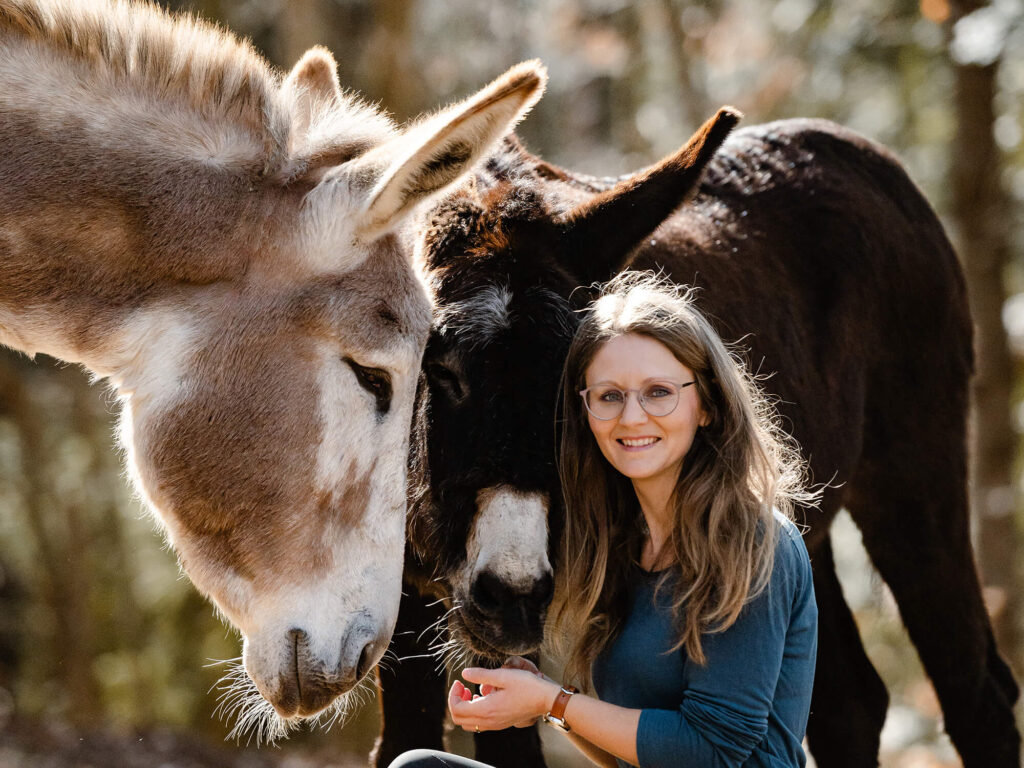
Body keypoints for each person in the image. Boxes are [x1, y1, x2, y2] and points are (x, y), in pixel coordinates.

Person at [391, 272, 819, 768]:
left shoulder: (754, 540)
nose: (631, 417)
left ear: (706, 404)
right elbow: (630, 751)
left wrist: (553, 703)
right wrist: (541, 700)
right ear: (584, 412)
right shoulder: (622, 544)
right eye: (609, 395)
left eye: (658, 392)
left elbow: (712, 751)